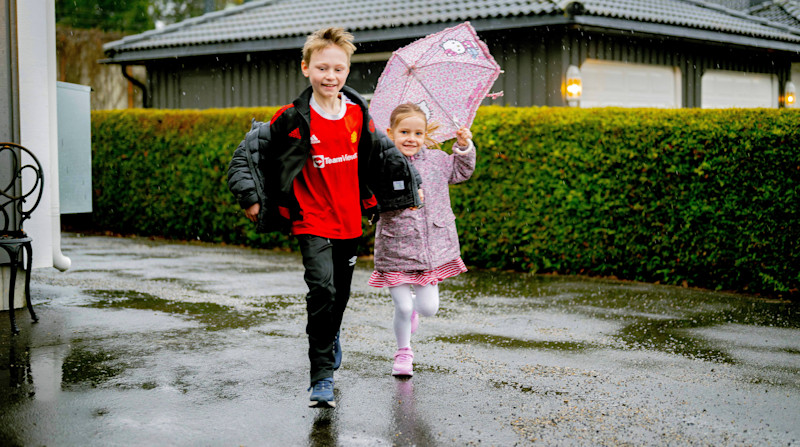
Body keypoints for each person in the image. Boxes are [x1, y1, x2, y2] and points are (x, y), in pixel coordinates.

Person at [227, 28, 422, 408]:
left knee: (340, 295)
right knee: (322, 291)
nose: (330, 76)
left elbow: (386, 156)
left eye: (338, 69)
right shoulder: (290, 118)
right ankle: (321, 379)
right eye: (321, 68)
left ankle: (331, 334)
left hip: (349, 221)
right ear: (306, 68)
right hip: (310, 219)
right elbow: (246, 155)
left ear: (347, 70)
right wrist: (250, 198)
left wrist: (412, 187)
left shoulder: (358, 115)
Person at [368, 103, 476, 377]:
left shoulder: (437, 160)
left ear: (426, 134)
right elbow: (369, 198)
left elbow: (461, 172)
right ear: (390, 133)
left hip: (431, 250)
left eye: (418, 133)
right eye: (404, 132)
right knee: (403, 307)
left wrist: (464, 146)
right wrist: (401, 198)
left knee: (428, 308)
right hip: (395, 248)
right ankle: (403, 352)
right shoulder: (381, 163)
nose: (411, 139)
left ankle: (415, 312)